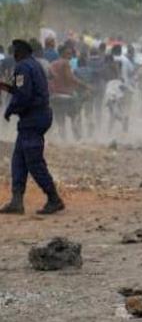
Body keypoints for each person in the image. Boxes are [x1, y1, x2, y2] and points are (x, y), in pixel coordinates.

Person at [0, 40, 65, 215]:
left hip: (33, 119)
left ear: (19, 52)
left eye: (14, 52)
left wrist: (9, 110)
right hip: (37, 116)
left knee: (34, 161)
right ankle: (16, 201)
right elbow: (21, 89)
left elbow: (23, 95)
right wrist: (5, 86)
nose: (13, 55)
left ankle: (54, 198)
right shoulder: (34, 65)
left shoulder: (22, 67)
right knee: (18, 159)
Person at [48, 45, 90, 140]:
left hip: (54, 96)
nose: (70, 55)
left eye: (71, 53)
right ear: (62, 53)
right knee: (75, 115)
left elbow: (50, 79)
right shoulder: (65, 63)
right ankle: (77, 137)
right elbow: (70, 78)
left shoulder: (52, 64)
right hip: (67, 96)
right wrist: (84, 85)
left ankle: (64, 142)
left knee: (61, 122)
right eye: (68, 53)